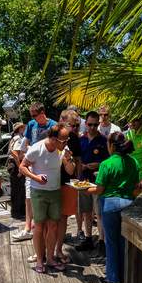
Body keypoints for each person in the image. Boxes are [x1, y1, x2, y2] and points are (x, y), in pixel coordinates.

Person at [85, 132, 139, 283]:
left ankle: (113, 279)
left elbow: (100, 189)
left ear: (111, 146)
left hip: (110, 205)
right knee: (123, 242)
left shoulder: (106, 164)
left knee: (111, 242)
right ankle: (124, 276)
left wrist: (85, 189)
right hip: (128, 204)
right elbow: (135, 185)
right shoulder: (133, 161)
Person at [19, 124, 74, 273]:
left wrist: (69, 160)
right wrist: (35, 177)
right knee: (39, 226)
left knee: (53, 226)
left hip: (55, 192)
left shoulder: (62, 150)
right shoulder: (37, 148)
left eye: (67, 140)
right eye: (63, 141)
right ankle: (39, 260)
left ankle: (50, 258)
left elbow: (70, 170)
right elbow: (22, 167)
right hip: (39, 193)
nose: (65, 144)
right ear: (53, 138)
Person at [12, 102, 57, 242]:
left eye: (34, 115)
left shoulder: (53, 125)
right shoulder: (31, 124)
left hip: (47, 167)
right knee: (28, 197)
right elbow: (24, 143)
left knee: (45, 197)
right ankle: (27, 228)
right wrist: (23, 155)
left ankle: (42, 229)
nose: (32, 118)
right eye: (31, 116)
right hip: (32, 165)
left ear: (42, 113)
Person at [77, 111, 109, 254]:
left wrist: (97, 165)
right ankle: (89, 238)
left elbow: (108, 161)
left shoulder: (104, 140)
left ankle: (102, 241)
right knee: (86, 211)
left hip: (98, 181)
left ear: (99, 124)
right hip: (83, 180)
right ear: (85, 124)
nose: (92, 127)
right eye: (90, 124)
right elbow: (76, 159)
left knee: (99, 212)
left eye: (95, 125)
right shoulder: (81, 140)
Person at [55, 110, 80, 263]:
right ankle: (42, 252)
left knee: (63, 217)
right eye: (72, 125)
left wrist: (78, 179)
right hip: (50, 183)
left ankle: (58, 250)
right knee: (48, 219)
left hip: (68, 182)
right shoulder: (52, 134)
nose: (75, 128)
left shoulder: (75, 138)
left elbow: (78, 159)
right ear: (62, 121)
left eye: (77, 125)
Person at [7, 122, 26, 219]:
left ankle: (19, 211)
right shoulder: (19, 138)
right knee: (18, 189)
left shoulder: (15, 137)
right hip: (16, 165)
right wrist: (20, 167)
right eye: (24, 127)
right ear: (20, 128)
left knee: (18, 189)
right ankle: (17, 212)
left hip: (14, 164)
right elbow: (15, 153)